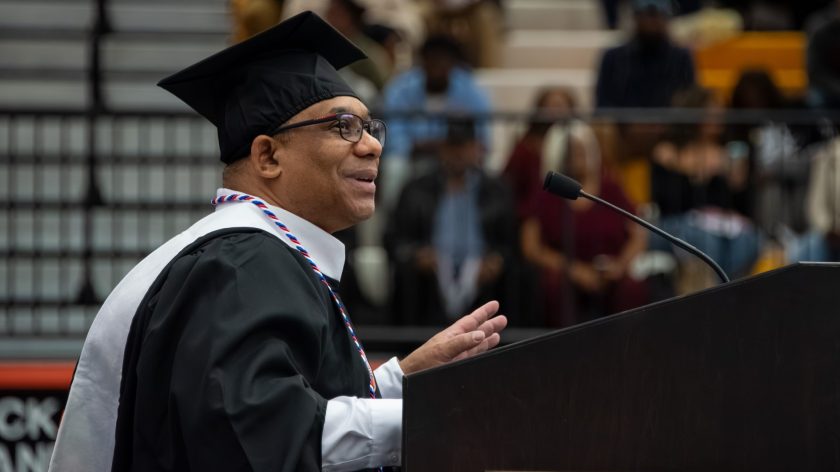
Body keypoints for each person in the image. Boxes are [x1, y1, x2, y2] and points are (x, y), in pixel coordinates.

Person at [49, 12, 507, 472]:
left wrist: (400, 380)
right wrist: (431, 416)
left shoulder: (264, 256)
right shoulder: (240, 265)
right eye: (343, 126)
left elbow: (290, 406)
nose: (371, 145)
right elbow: (263, 433)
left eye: (370, 128)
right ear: (267, 155)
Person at [385, 119, 517, 325]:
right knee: (408, 274)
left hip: (482, 274)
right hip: (430, 277)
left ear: (476, 147)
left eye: (464, 146)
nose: (459, 153)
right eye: (453, 146)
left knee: (515, 276)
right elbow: (395, 238)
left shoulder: (497, 190)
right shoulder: (416, 188)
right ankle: (409, 345)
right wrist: (416, 254)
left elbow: (510, 241)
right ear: (442, 148)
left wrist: (497, 259)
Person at [521, 122, 649, 328]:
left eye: (583, 151)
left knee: (632, 288)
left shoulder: (611, 188)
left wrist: (620, 265)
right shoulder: (546, 194)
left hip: (610, 272)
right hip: (566, 272)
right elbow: (531, 247)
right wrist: (572, 269)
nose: (579, 157)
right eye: (572, 152)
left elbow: (638, 234)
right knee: (555, 288)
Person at [650, 86, 761, 279]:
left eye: (720, 113)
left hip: (719, 223)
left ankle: (728, 290)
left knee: (749, 237)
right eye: (712, 113)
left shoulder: (727, 154)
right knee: (705, 239)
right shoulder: (667, 153)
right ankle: (714, 296)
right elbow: (665, 201)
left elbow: (740, 205)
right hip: (677, 222)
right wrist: (692, 173)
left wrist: (738, 184)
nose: (718, 118)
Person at [595, 0, 696, 109]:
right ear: (636, 17)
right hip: (624, 124)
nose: (651, 22)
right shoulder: (613, 58)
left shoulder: (682, 59)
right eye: (647, 14)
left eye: (656, 15)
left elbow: (689, 106)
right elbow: (603, 107)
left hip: (670, 125)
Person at [503, 87, 577, 222]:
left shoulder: (578, 145)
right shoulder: (525, 149)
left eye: (561, 106)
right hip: (531, 215)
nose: (557, 112)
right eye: (552, 106)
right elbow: (509, 183)